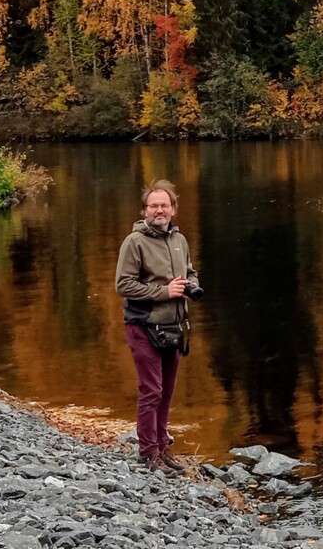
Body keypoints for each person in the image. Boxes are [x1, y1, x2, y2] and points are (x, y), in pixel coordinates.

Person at [115, 179, 199, 475]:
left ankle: (163, 448)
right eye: (154, 206)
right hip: (143, 326)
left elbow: (189, 271)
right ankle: (148, 452)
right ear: (145, 210)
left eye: (164, 205)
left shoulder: (180, 240)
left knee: (166, 392)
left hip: (173, 327)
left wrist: (192, 285)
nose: (159, 210)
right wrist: (164, 292)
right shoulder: (134, 242)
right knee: (151, 391)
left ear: (173, 209)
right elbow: (123, 285)